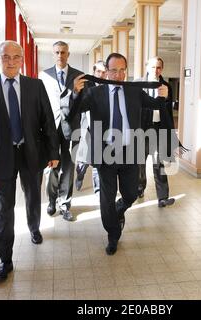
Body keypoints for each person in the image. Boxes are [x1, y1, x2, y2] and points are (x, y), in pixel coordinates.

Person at [0, 41, 59, 282]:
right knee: (5, 208)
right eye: (5, 57)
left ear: (22, 60)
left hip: (32, 153)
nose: (11, 61)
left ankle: (34, 227)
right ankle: (5, 259)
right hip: (1, 157)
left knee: (33, 195)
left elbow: (48, 122)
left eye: (15, 57)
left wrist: (53, 152)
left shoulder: (36, 86)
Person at [71, 53, 169, 255]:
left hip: (130, 152)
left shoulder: (134, 91)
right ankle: (113, 234)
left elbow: (155, 106)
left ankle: (119, 210)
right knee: (105, 199)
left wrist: (163, 96)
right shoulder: (95, 93)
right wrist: (75, 93)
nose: (118, 74)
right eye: (114, 70)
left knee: (131, 193)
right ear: (106, 72)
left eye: (122, 69)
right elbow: (77, 109)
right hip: (105, 153)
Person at [39, 41, 84, 221]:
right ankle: (51, 200)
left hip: (71, 127)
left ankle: (65, 204)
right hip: (50, 126)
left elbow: (82, 102)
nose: (60, 55)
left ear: (68, 54)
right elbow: (40, 102)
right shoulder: (44, 75)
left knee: (68, 166)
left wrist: (76, 93)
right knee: (51, 166)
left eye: (63, 52)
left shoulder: (78, 75)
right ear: (53, 54)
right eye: (57, 52)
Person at [137, 56, 176, 207]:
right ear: (147, 67)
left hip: (159, 128)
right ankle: (140, 187)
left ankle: (162, 197)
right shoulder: (139, 84)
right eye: (153, 67)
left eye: (159, 67)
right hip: (142, 128)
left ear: (162, 69)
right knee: (140, 162)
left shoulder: (166, 86)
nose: (156, 70)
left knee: (158, 162)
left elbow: (168, 111)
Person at [74, 60, 107, 193]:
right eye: (98, 71)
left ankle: (98, 190)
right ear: (94, 71)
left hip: (101, 128)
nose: (101, 74)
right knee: (84, 161)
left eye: (104, 72)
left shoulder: (107, 86)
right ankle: (80, 175)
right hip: (87, 127)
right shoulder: (86, 84)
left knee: (97, 160)